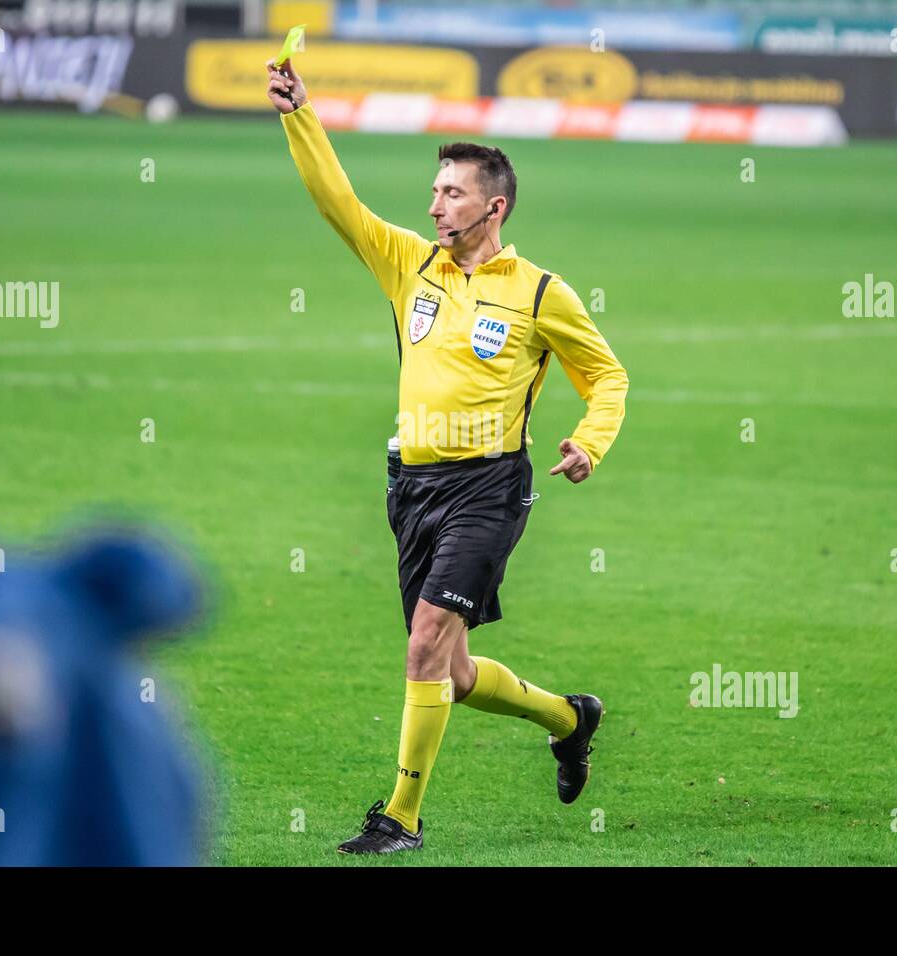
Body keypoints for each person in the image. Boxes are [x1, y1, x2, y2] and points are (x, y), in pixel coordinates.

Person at [268, 60, 629, 855]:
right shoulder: (410, 264)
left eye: (453, 193)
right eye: (434, 191)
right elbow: (338, 202)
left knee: (425, 640)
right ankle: (571, 720)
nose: (435, 204)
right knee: (452, 674)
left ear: (492, 206)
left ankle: (399, 817)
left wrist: (589, 443)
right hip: (411, 485)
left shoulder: (539, 293)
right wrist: (300, 113)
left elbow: (607, 376)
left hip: (490, 487)